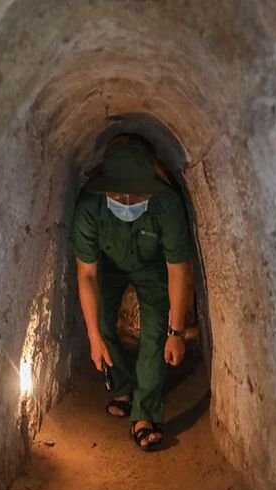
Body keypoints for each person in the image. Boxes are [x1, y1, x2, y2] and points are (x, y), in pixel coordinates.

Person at [70, 133, 193, 451]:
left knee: (155, 332)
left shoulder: (166, 204)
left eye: (136, 196)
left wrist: (176, 331)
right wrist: (94, 337)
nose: (126, 202)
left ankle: (145, 412)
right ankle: (122, 386)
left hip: (152, 266)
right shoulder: (89, 207)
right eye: (118, 195)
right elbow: (86, 274)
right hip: (106, 266)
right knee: (103, 322)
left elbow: (179, 269)